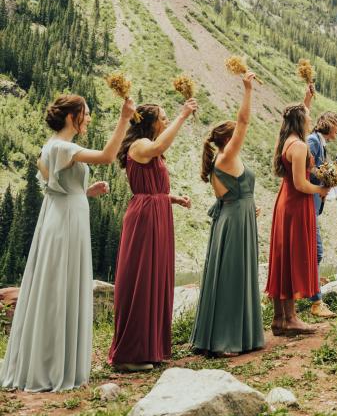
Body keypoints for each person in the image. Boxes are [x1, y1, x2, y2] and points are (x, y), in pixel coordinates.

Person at [0, 94, 134, 391]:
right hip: (66, 224)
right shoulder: (64, 146)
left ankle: (45, 360)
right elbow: (108, 157)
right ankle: (52, 366)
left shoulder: (50, 147)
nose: (88, 118)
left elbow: (55, 188)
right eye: (85, 113)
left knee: (55, 286)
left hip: (61, 218)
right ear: (72, 117)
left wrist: (85, 191)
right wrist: (124, 119)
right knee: (60, 287)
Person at [109, 98, 197, 371]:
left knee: (155, 277)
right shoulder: (140, 145)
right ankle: (130, 353)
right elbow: (159, 146)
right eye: (163, 117)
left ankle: (150, 347)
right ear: (149, 123)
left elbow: (151, 187)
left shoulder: (147, 148)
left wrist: (171, 198)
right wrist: (183, 116)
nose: (167, 121)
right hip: (146, 218)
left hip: (156, 213)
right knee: (142, 278)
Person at [191, 70, 265, 355]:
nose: (241, 134)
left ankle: (226, 336)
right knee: (234, 275)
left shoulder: (223, 160)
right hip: (235, 223)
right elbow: (245, 120)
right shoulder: (227, 155)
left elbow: (230, 196)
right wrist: (247, 89)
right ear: (228, 139)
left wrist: (247, 205)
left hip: (234, 218)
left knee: (230, 273)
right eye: (235, 133)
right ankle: (225, 340)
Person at [265, 86, 329, 335]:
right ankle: (291, 319)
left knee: (283, 258)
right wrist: (321, 190)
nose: (311, 122)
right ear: (301, 122)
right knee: (293, 258)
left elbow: (302, 114)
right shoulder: (300, 147)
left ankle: (279, 319)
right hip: (296, 203)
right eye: (309, 119)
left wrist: (307, 99)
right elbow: (301, 183)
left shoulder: (288, 141)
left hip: (285, 202)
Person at [306, 111, 337, 318]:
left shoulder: (319, 143)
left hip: (314, 201)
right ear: (328, 125)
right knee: (315, 252)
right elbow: (306, 169)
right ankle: (314, 300)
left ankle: (311, 296)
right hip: (308, 201)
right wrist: (325, 178)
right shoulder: (312, 141)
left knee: (314, 252)